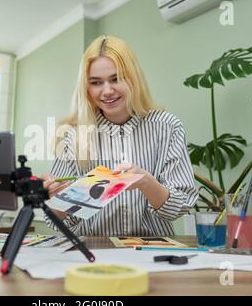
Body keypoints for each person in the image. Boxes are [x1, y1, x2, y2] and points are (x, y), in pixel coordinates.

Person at [42, 35, 197, 236]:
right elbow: (56, 219)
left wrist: (146, 182)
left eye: (116, 79)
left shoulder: (167, 126)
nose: (107, 91)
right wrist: (55, 196)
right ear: (87, 88)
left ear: (133, 79)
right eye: (96, 82)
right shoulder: (73, 135)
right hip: (94, 253)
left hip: (152, 253)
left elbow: (180, 207)